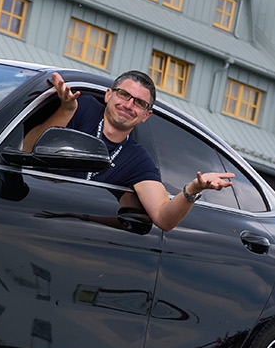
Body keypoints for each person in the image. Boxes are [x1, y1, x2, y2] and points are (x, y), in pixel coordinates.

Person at [22, 71, 234, 232]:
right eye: (124, 94)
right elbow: (28, 149)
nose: (129, 104)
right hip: (29, 208)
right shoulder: (81, 108)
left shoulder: (137, 160)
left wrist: (193, 189)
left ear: (146, 115)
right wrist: (66, 110)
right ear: (108, 95)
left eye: (139, 103)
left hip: (78, 233)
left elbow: (163, 217)